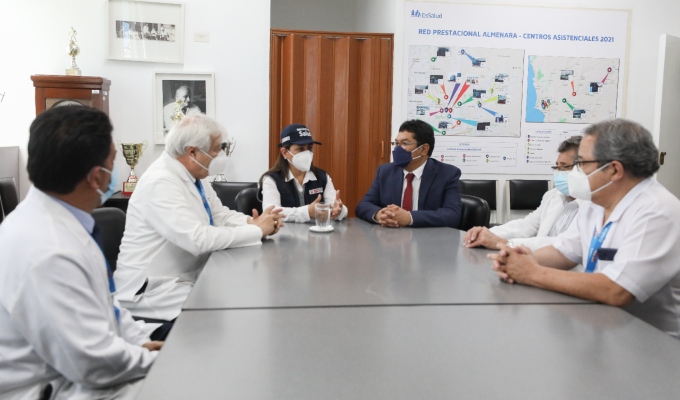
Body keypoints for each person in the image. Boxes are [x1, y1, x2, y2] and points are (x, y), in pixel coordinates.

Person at [0, 107, 161, 399]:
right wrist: (158, 360)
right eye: (113, 160)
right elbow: (93, 364)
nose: (115, 170)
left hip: (79, 370)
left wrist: (139, 342)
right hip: (56, 388)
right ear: (96, 178)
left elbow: (106, 304)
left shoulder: (60, 220)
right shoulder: (49, 251)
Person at [489, 119, 680, 338]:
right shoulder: (595, 203)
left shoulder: (657, 212)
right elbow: (562, 252)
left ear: (614, 170)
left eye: (581, 164)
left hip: (650, 343)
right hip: (602, 328)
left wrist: (531, 272)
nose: (574, 173)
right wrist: (516, 259)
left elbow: (616, 290)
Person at [114, 114, 283, 333]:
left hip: (186, 276)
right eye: (216, 149)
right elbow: (198, 239)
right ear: (192, 151)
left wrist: (252, 221)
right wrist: (256, 229)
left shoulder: (194, 174)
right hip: (152, 290)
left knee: (242, 300)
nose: (220, 156)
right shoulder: (160, 182)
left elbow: (219, 215)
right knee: (229, 318)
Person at [464, 136, 582, 251]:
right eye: (557, 167)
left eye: (564, 167)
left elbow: (567, 244)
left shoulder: (591, 205)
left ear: (583, 169)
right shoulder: (553, 196)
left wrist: (506, 243)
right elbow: (529, 225)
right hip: (538, 259)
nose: (558, 173)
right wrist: (487, 233)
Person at [355, 119, 462, 228]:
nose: (397, 149)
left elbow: (452, 215)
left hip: (428, 237)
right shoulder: (385, 172)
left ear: (424, 149)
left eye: (405, 143)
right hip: (390, 236)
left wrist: (410, 218)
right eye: (397, 143)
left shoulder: (447, 174)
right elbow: (363, 205)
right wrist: (379, 215)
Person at [260, 124, 347, 223]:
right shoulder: (272, 179)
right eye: (300, 149)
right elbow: (271, 212)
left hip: (317, 232)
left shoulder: (322, 177)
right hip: (284, 232)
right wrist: (307, 212)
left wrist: (339, 210)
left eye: (309, 148)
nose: (307, 153)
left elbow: (337, 207)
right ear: (284, 152)